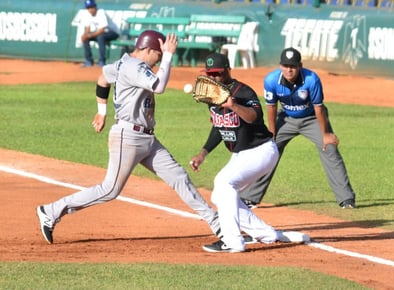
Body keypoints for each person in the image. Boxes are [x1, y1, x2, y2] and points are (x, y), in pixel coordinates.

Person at [36, 30, 222, 245]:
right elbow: (159, 86)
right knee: (110, 189)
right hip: (128, 137)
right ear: (149, 49)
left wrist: (102, 111)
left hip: (147, 139)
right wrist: (169, 55)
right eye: (158, 55)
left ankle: (216, 223)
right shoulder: (135, 67)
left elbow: (103, 78)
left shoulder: (123, 62)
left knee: (178, 176)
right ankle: (50, 211)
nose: (159, 59)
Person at [190, 53, 309, 253]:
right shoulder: (214, 94)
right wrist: (203, 154)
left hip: (261, 151)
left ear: (228, 70)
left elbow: (254, 117)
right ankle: (266, 234)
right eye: (210, 74)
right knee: (220, 195)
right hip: (241, 154)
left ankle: (233, 241)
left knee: (224, 182)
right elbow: (219, 126)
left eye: (217, 73)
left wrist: (234, 105)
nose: (214, 78)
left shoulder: (243, 92)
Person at [239, 47, 356, 209]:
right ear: (281, 66)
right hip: (285, 118)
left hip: (312, 118)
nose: (289, 70)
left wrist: (326, 133)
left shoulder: (311, 79)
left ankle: (346, 199)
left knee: (329, 148)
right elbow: (271, 107)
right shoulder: (271, 80)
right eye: (286, 66)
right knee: (268, 150)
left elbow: (319, 108)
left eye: (292, 66)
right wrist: (272, 133)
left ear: (300, 65)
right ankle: (250, 197)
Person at [80, 0, 120, 67]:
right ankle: (89, 61)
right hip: (101, 33)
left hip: (113, 33)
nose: (90, 9)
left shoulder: (101, 12)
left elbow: (102, 30)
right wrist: (85, 36)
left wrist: (90, 35)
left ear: (95, 6)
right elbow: (87, 29)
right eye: (88, 8)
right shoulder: (88, 14)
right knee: (86, 38)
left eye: (91, 7)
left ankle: (102, 61)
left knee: (100, 37)